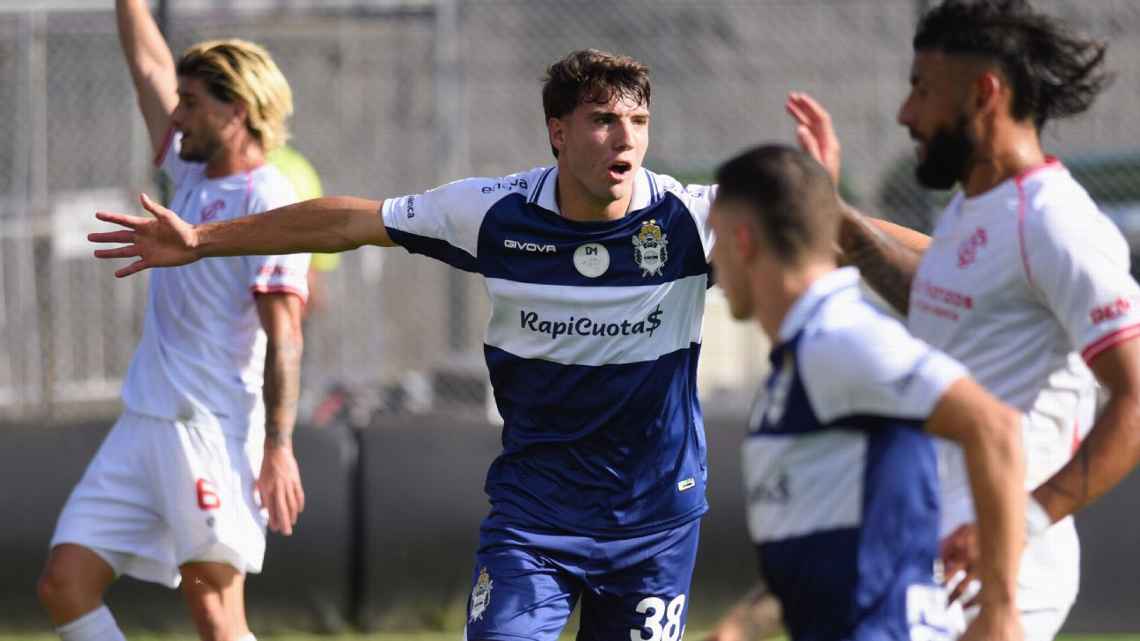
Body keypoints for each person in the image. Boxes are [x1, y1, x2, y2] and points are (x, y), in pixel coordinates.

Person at [89, 49, 719, 641]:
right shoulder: (493, 213)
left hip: (655, 521)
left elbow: (802, 234)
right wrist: (201, 239)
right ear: (558, 132)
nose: (627, 138)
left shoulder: (690, 221)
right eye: (604, 120)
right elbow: (345, 221)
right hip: (536, 520)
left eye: (638, 121)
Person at [785, 1, 1140, 638]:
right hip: (931, 545)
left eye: (922, 90)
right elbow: (944, 295)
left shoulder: (1056, 223)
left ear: (984, 94)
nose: (905, 114)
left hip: (997, 571)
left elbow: (1135, 398)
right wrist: (831, 212)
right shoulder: (977, 208)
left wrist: (1022, 525)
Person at [37, 2, 311, 640]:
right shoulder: (192, 169)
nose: (176, 114)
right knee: (63, 586)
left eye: (191, 102)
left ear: (234, 111)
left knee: (216, 617)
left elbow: (286, 337)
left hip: (208, 431)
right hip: (144, 423)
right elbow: (149, 64)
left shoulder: (267, 200)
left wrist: (277, 446)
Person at [706, 143, 1025, 641]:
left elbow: (994, 425)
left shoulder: (841, 339)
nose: (714, 261)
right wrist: (743, 625)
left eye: (716, 240)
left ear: (743, 241)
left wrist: (999, 615)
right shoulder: (801, 358)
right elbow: (825, 552)